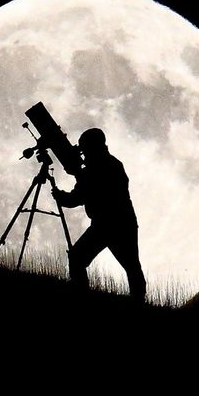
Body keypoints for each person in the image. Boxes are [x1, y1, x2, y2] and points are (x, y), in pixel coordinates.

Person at [52, 128, 146, 303]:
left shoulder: (100, 167)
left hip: (110, 225)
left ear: (92, 147)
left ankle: (84, 298)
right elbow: (83, 192)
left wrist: (63, 193)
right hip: (117, 223)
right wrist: (79, 175)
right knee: (132, 266)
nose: (82, 152)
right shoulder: (111, 164)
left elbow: (78, 197)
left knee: (79, 258)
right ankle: (138, 302)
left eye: (83, 147)